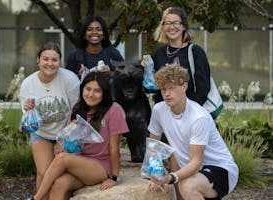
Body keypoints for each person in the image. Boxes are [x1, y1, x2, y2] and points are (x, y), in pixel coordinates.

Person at [29, 71, 130, 200]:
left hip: (101, 166)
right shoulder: (77, 109)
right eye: (88, 89)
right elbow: (71, 143)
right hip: (79, 163)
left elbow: (114, 148)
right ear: (82, 89)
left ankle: (36, 198)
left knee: (62, 159)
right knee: (59, 184)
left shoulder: (114, 110)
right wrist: (64, 141)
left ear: (104, 93)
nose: (91, 94)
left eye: (97, 91)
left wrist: (114, 177)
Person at [147, 64, 238, 200]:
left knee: (187, 185)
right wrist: (155, 173)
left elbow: (196, 162)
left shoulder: (198, 117)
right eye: (163, 89)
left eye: (171, 88)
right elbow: (153, 146)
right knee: (175, 159)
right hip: (188, 165)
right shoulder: (159, 110)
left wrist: (169, 178)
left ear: (184, 86)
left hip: (220, 169)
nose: (167, 93)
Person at [18, 42, 80, 200]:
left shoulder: (69, 80)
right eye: (45, 59)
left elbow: (78, 112)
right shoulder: (28, 85)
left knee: (61, 177)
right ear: (38, 60)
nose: (50, 63)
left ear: (60, 62)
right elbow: (29, 123)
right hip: (42, 134)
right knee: (45, 172)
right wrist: (28, 109)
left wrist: (63, 139)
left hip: (67, 132)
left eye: (54, 60)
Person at [142, 7, 210, 104]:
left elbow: (203, 89)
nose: (172, 27)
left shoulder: (195, 52)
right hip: (164, 114)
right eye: (167, 23)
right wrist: (145, 71)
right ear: (163, 27)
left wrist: (189, 112)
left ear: (184, 26)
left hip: (189, 113)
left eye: (176, 23)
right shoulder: (158, 54)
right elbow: (152, 89)